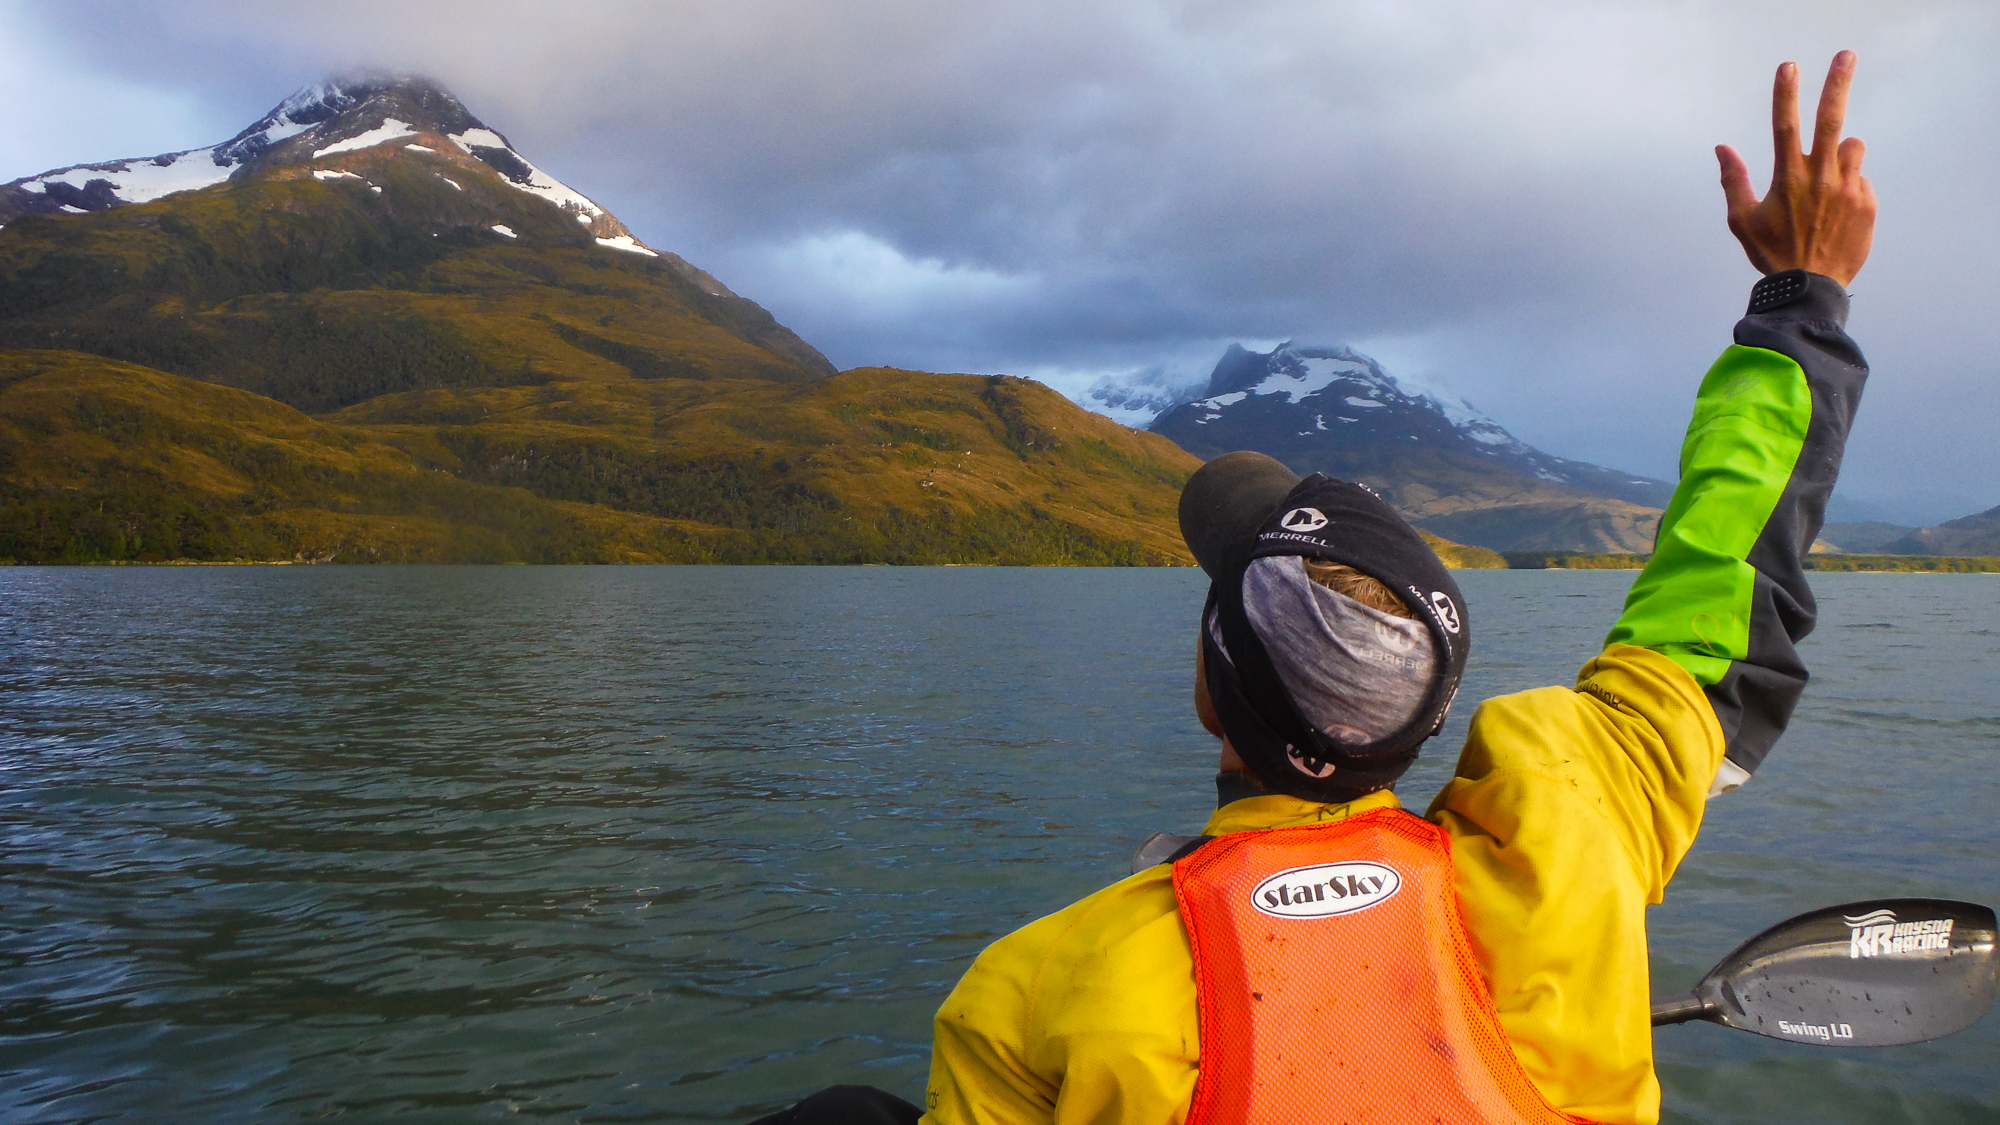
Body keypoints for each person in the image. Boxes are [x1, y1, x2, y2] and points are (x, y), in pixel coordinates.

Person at [751, 50, 1876, 1125]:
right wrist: (1801, 299)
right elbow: (1727, 557)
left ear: (1206, 690)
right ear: (1431, 701)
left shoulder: (1038, 991)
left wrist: (1797, 297)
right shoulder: (1568, 837)